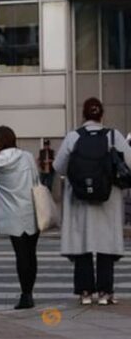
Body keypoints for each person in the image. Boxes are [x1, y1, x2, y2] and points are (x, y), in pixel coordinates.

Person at [55, 98, 131, 306]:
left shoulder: (73, 137)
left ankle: (85, 292)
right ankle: (106, 292)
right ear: (102, 115)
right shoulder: (114, 136)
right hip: (109, 199)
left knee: (83, 245)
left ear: (84, 115)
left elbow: (59, 167)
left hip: (79, 198)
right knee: (106, 245)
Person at [0, 125, 39, 310]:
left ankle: (25, 295)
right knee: (31, 254)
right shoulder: (26, 156)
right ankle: (29, 292)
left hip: (13, 214)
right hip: (32, 210)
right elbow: (36, 179)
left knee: (21, 255)